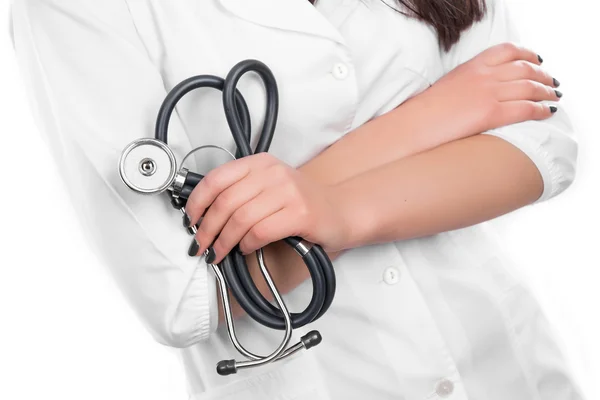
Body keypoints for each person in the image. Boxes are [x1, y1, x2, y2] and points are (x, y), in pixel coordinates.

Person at [10, 0, 583, 399]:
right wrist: (430, 120)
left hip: (508, 367)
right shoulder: (72, 7)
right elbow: (182, 296)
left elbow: (540, 142)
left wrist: (333, 210)